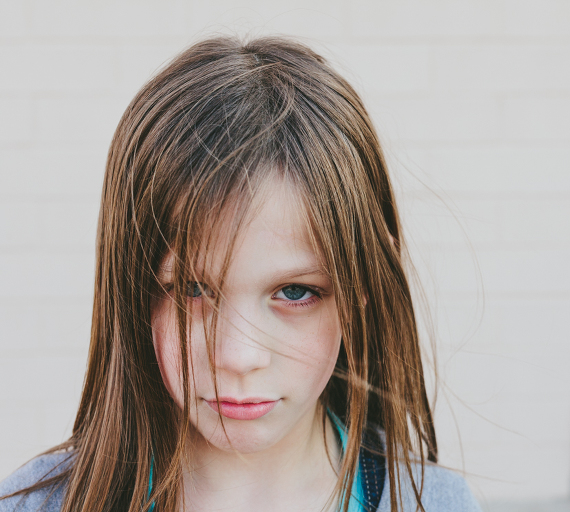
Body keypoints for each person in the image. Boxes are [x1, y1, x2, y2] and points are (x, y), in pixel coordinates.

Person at [0, 36, 481, 512]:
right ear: (132, 291)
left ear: (364, 289)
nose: (239, 356)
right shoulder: (38, 504)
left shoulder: (437, 504)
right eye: (191, 289)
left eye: (295, 292)